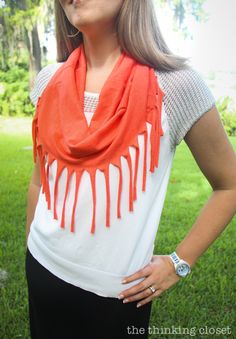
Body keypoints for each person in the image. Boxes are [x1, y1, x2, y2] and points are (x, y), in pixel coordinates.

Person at [25, 0, 236, 338]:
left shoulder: (175, 86)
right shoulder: (50, 80)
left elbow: (230, 185)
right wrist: (30, 249)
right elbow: (40, 181)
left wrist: (178, 263)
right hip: (41, 268)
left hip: (118, 296)